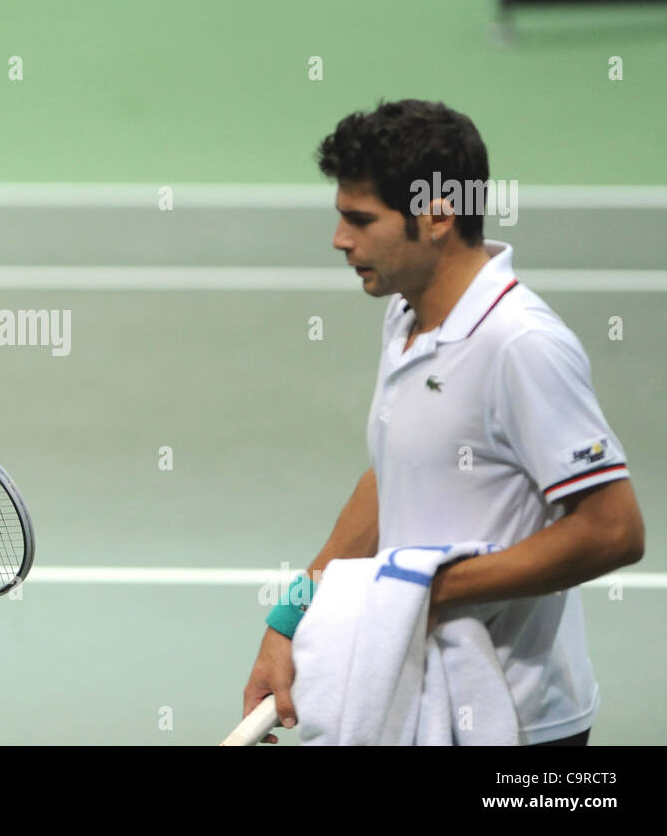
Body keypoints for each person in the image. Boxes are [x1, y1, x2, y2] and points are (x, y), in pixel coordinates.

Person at [243, 99, 645, 745]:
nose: (340, 239)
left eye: (359, 219)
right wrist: (293, 614)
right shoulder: (406, 315)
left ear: (435, 215)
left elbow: (614, 528)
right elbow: (396, 473)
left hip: (519, 720)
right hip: (422, 700)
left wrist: (414, 593)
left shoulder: (520, 344)